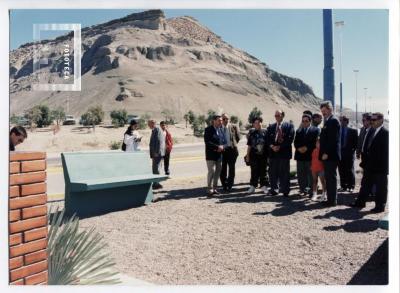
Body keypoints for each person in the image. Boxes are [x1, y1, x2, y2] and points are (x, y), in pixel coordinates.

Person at [351, 112, 388, 213]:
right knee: (365, 185)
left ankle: (380, 206)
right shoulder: (372, 131)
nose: (372, 121)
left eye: (374, 120)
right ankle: (360, 202)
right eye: (371, 119)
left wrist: (384, 167)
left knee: (381, 188)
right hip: (369, 165)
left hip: (380, 167)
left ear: (381, 120)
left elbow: (386, 153)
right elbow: (367, 147)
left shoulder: (386, 133)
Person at [266, 110, 295, 197]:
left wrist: (280, 147)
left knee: (284, 172)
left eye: (278, 115)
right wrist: (272, 146)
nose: (276, 117)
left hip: (284, 153)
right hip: (273, 153)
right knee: (272, 172)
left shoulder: (289, 126)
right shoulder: (271, 126)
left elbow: (290, 138)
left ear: (282, 115)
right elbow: (267, 138)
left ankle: (285, 190)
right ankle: (274, 189)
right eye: (275, 116)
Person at [319, 101, 341, 207]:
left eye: (325, 110)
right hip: (327, 155)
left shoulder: (333, 121)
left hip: (330, 156)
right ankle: (330, 199)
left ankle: (332, 201)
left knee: (331, 178)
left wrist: (326, 153)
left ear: (330, 109)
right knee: (328, 178)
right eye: (322, 111)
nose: (323, 113)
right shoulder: (328, 121)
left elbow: (333, 140)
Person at [294, 114, 319, 196]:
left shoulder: (315, 130)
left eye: (306, 121)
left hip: (310, 156)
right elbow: (295, 142)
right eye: (303, 121)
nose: (304, 122)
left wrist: (307, 148)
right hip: (300, 156)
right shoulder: (298, 131)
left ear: (310, 121)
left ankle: (312, 191)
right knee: (301, 174)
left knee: (311, 175)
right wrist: (298, 148)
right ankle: (303, 190)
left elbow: (315, 142)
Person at [245, 117, 268, 194]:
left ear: (261, 123)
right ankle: (253, 186)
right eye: (255, 123)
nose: (257, 124)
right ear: (253, 124)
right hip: (253, 156)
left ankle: (263, 186)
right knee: (254, 171)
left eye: (258, 123)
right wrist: (247, 156)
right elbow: (249, 146)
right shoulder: (252, 133)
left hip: (263, 156)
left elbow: (268, 145)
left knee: (263, 171)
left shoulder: (266, 133)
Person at [204, 115, 225, 196]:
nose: (221, 122)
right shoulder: (208, 130)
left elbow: (223, 141)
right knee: (211, 171)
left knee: (218, 172)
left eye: (221, 120)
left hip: (219, 155)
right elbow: (207, 142)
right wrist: (217, 147)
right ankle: (209, 188)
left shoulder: (221, 130)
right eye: (219, 120)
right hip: (210, 155)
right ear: (214, 121)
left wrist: (223, 146)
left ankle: (215, 188)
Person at [220, 113, 241, 192]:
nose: (225, 120)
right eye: (224, 119)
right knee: (223, 169)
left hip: (232, 150)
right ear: (221, 120)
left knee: (231, 168)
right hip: (223, 151)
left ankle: (230, 184)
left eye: (227, 119)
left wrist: (233, 144)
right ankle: (224, 184)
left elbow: (238, 137)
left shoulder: (234, 127)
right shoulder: (219, 128)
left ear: (229, 119)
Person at [338, 116, 358, 192]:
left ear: (347, 122)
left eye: (342, 121)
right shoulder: (338, 130)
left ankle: (351, 186)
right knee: (341, 170)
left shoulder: (353, 131)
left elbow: (356, 143)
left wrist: (353, 151)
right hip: (340, 153)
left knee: (350, 170)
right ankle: (343, 185)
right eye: (340, 121)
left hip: (349, 153)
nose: (341, 122)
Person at [148, 119, 166, 189]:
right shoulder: (155, 129)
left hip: (157, 153)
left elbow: (158, 141)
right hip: (156, 153)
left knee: (156, 168)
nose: (148, 125)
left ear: (153, 123)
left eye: (149, 124)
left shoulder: (157, 129)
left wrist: (156, 152)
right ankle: (156, 183)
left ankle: (157, 184)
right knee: (155, 168)